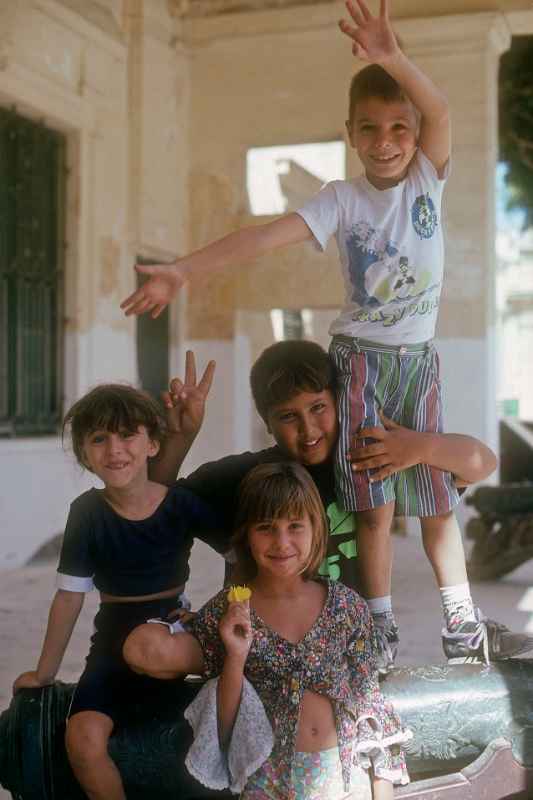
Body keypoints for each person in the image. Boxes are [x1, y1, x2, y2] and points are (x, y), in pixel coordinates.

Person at [117, 0, 533, 670]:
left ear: (415, 134)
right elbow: (263, 237)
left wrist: (391, 55)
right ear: (350, 135)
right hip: (362, 361)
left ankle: (461, 626)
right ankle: (380, 629)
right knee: (374, 507)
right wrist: (183, 271)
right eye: (369, 129)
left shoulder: (427, 179)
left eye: (399, 127)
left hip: (418, 362)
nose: (386, 140)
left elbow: (439, 109)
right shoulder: (341, 199)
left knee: (434, 502)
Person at [124, 340, 529, 680]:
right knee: (149, 650)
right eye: (288, 416)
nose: (308, 429)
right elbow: (155, 510)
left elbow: (481, 463)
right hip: (258, 640)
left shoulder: (371, 463)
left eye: (318, 407)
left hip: (341, 644)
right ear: (267, 422)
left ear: (340, 402)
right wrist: (181, 437)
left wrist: (420, 446)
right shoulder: (245, 478)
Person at [12, 370, 227, 800]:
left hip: (175, 629)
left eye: (127, 435)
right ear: (84, 455)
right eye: (99, 439)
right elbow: (69, 597)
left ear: (152, 445)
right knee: (83, 739)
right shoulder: (87, 512)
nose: (114, 449)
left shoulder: (181, 505)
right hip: (110, 643)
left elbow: (243, 559)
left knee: (168, 671)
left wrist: (211, 618)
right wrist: (44, 673)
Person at [146, 462, 411, 799]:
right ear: (246, 534)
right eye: (266, 527)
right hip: (265, 784)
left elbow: (371, 707)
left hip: (343, 780)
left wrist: (381, 793)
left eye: (295, 526)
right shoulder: (229, 611)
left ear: (316, 528)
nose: (282, 542)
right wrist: (235, 655)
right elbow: (224, 728)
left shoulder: (346, 607)